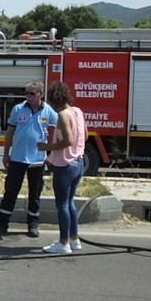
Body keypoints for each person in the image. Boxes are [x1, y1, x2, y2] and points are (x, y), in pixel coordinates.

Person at [0, 80, 58, 238]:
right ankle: (2, 225)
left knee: (35, 194)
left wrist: (52, 154)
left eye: (32, 93)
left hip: (37, 161)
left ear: (41, 94)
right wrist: (6, 153)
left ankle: (33, 224)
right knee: (10, 192)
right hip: (18, 158)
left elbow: (56, 132)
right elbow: (9, 133)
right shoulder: (18, 109)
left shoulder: (48, 111)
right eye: (26, 92)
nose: (28, 96)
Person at [38, 81, 87, 254]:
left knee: (62, 205)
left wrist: (47, 148)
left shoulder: (63, 115)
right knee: (70, 202)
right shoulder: (78, 112)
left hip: (65, 165)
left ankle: (63, 243)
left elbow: (68, 141)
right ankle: (74, 239)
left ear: (54, 99)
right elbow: (84, 136)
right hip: (78, 163)